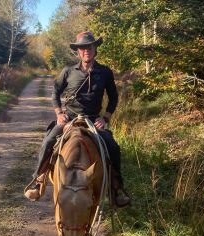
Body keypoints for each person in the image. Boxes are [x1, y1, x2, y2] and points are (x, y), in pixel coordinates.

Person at [25, 31, 130, 207]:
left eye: (89, 46)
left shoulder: (104, 72)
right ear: (78, 51)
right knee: (49, 140)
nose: (86, 50)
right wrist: (59, 113)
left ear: (95, 48)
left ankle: (116, 188)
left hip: (93, 120)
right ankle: (38, 180)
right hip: (70, 118)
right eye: (82, 48)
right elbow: (55, 93)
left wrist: (105, 118)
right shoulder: (68, 71)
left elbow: (114, 98)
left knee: (112, 146)